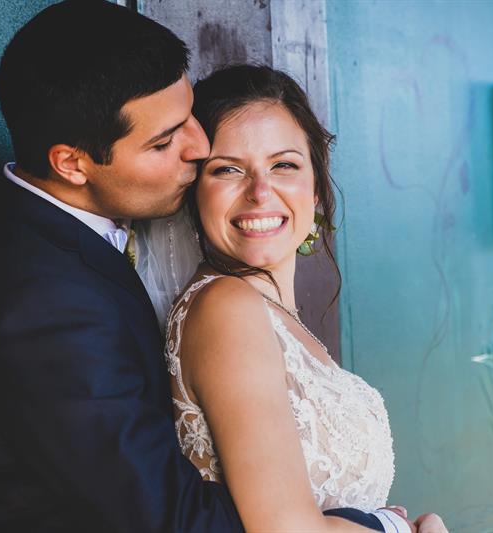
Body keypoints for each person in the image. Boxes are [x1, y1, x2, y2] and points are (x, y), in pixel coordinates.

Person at [0, 1, 399, 532]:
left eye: (188, 120)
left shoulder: (75, 247)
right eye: (165, 140)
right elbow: (167, 520)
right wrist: (375, 525)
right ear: (72, 163)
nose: (199, 147)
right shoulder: (40, 302)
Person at [141, 64, 447, 533]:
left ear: (318, 188)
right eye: (227, 169)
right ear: (194, 194)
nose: (260, 192)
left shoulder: (273, 312)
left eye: (284, 165)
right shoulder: (227, 308)